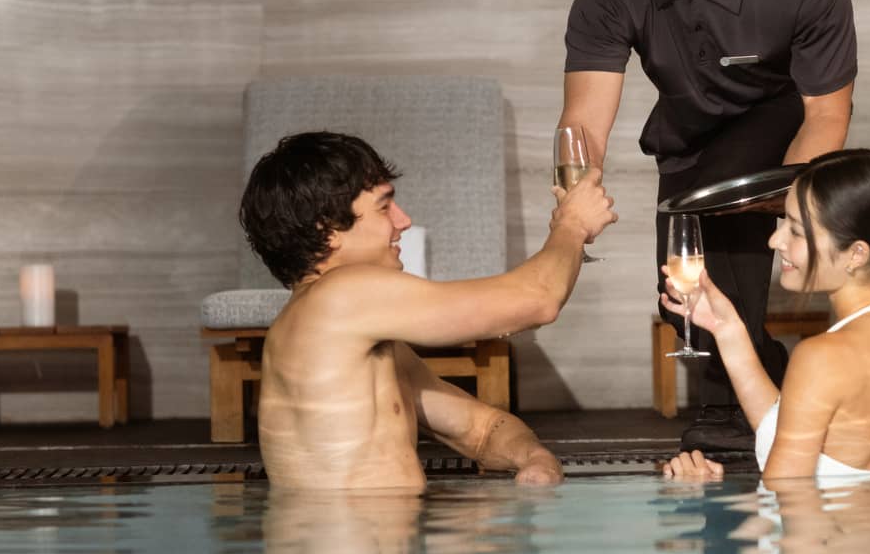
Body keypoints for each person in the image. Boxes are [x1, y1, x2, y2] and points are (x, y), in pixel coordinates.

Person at [559, 0, 859, 452]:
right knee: (680, 294)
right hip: (686, 137)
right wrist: (576, 198)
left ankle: (725, 415)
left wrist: (787, 202)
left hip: (778, 124)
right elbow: (582, 122)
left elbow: (826, 113)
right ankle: (783, 387)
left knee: (722, 205)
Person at [238, 131, 617, 490]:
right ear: (329, 229)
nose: (403, 221)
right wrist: (573, 225)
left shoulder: (355, 340)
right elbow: (537, 299)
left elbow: (482, 430)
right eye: (384, 207)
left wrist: (534, 459)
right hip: (345, 548)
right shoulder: (340, 296)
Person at [658, 149, 870, 481]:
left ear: (855, 253)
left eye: (795, 230)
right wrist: (727, 328)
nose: (773, 240)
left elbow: (787, 505)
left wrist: (713, 491)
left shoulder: (821, 358)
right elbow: (797, 432)